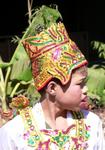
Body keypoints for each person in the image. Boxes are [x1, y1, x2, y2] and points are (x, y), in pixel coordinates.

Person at [0, 5, 104, 150]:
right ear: (52, 88)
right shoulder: (14, 133)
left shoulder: (92, 124)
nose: (85, 89)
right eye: (79, 84)